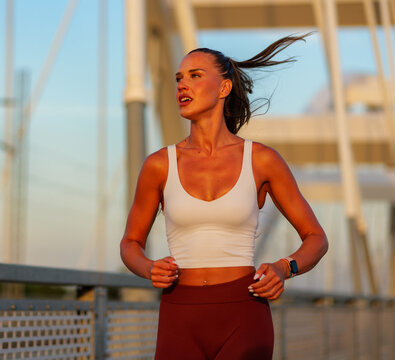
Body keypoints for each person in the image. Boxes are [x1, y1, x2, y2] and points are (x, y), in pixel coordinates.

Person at [119, 34, 328, 360]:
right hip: (179, 315)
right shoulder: (159, 165)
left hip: (244, 313)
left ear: (224, 88)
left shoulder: (261, 160)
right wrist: (148, 268)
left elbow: (316, 237)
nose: (181, 85)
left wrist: (285, 268)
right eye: (178, 79)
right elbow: (130, 243)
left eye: (195, 76)